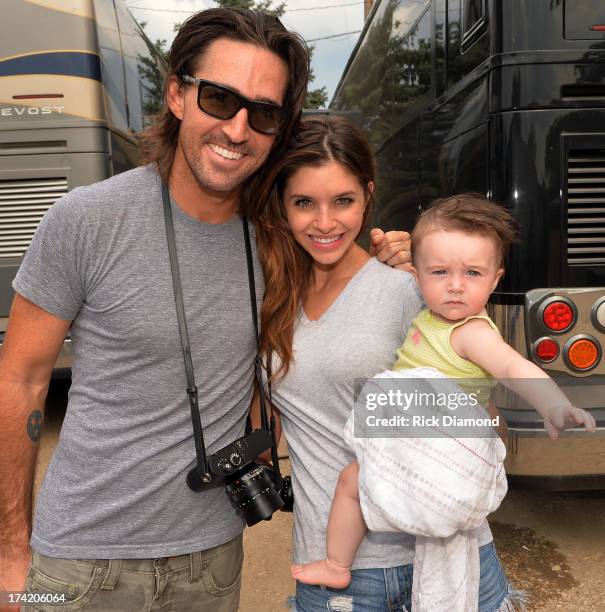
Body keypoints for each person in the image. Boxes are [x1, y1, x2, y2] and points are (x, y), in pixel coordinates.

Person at [0, 9, 409, 612]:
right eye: (219, 98)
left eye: (264, 113)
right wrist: (11, 550)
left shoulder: (280, 237)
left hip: (212, 562)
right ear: (177, 94)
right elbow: (21, 379)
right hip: (80, 562)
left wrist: (399, 260)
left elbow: (341, 263)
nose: (238, 129)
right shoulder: (86, 219)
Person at [253, 117, 522, 611]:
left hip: (438, 552)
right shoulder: (271, 299)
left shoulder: (407, 289)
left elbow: (474, 406)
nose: (326, 222)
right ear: (282, 205)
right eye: (304, 202)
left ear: (367, 196)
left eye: (343, 201)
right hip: (337, 568)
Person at [290, 195, 597, 609]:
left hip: (435, 448)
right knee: (353, 482)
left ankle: (335, 563)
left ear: (494, 279)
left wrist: (555, 405)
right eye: (440, 272)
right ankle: (339, 563)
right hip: (408, 438)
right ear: (417, 278)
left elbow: (511, 366)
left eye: (472, 273)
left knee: (352, 482)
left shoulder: (472, 332)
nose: (455, 285)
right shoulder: (428, 319)